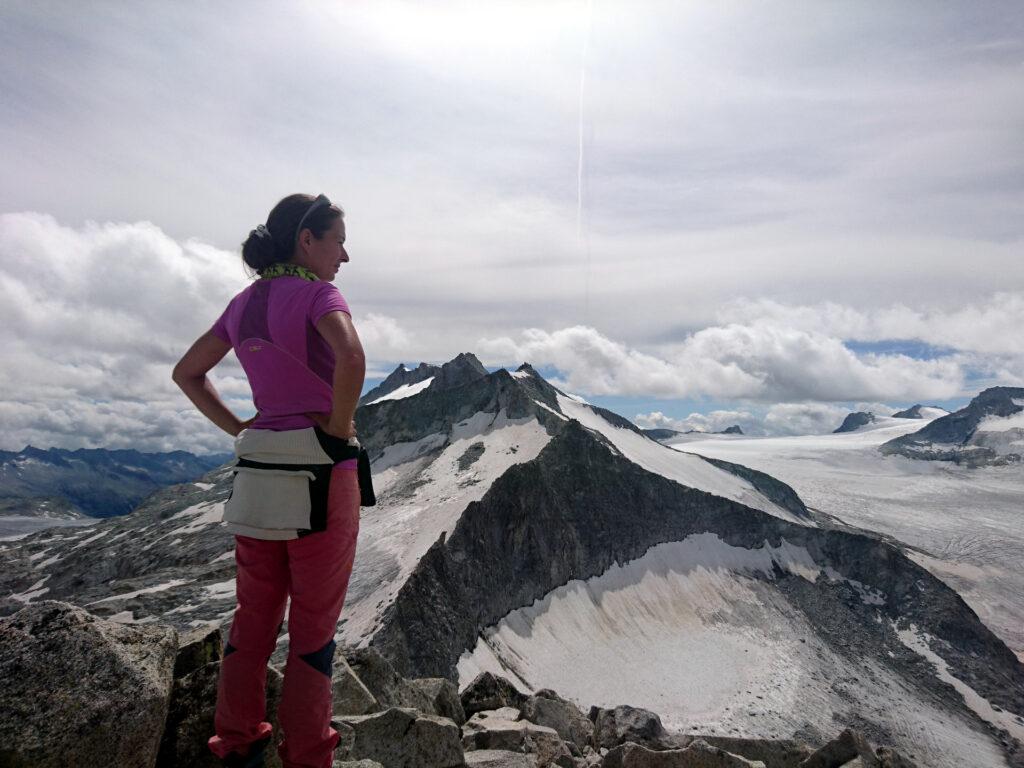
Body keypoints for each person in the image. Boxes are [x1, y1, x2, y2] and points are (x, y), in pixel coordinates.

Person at [171, 193, 366, 768]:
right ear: (307, 242)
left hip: (258, 473)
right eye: (338, 240)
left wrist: (241, 428)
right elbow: (350, 356)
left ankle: (236, 742)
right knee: (313, 627)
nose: (345, 255)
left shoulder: (243, 303)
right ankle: (306, 754)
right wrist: (337, 429)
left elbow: (188, 373)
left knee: (253, 615)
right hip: (323, 474)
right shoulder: (319, 294)